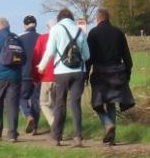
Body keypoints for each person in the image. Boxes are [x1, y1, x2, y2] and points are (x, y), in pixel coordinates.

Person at [41, 9, 91, 147]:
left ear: (59, 18)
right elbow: (87, 55)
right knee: (75, 103)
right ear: (72, 18)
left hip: (61, 72)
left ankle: (56, 137)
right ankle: (78, 137)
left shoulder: (56, 29)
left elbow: (50, 51)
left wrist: (42, 66)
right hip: (79, 71)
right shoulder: (80, 30)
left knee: (60, 103)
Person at [86, 9, 135, 146]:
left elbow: (89, 58)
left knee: (96, 104)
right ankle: (111, 136)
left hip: (100, 73)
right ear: (108, 18)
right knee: (111, 103)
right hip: (116, 73)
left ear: (98, 19)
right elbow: (127, 57)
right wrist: (127, 75)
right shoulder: (118, 33)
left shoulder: (93, 33)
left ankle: (108, 124)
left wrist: (85, 75)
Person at [17, 15, 41, 135]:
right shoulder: (41, 37)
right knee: (36, 100)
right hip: (39, 74)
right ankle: (35, 127)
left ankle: (28, 115)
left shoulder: (20, 38)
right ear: (36, 25)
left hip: (24, 73)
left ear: (24, 25)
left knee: (21, 97)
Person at [32, 20, 55, 134]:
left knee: (43, 102)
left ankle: (55, 124)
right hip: (61, 75)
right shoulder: (63, 37)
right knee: (55, 103)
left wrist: (35, 77)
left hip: (46, 75)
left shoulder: (42, 38)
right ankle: (56, 127)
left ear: (48, 27)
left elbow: (36, 58)